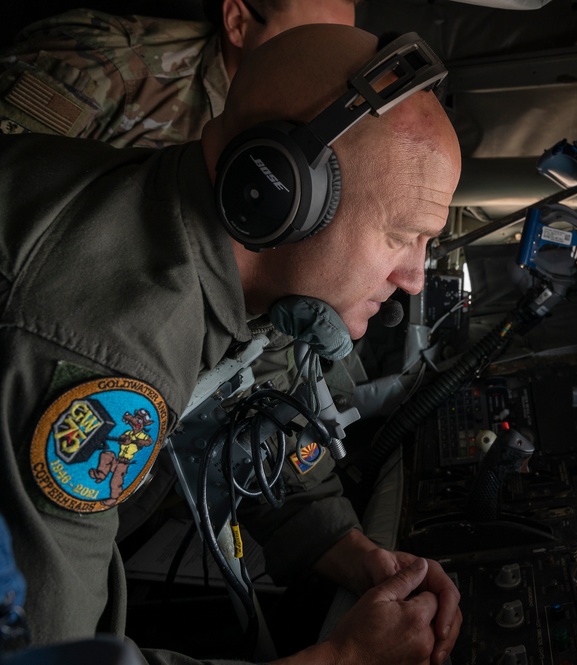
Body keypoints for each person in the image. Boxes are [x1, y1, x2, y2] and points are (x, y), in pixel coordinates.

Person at [0, 22, 462, 665]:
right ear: (284, 189)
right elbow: (44, 658)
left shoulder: (202, 237)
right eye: (401, 234)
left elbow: (254, 392)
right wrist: (346, 660)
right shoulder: (109, 350)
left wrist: (349, 551)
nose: (413, 277)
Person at [0, 0, 357, 147]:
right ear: (237, 22)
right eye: (306, 42)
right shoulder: (110, 68)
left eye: (339, 51)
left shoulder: (331, 123)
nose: (325, 68)